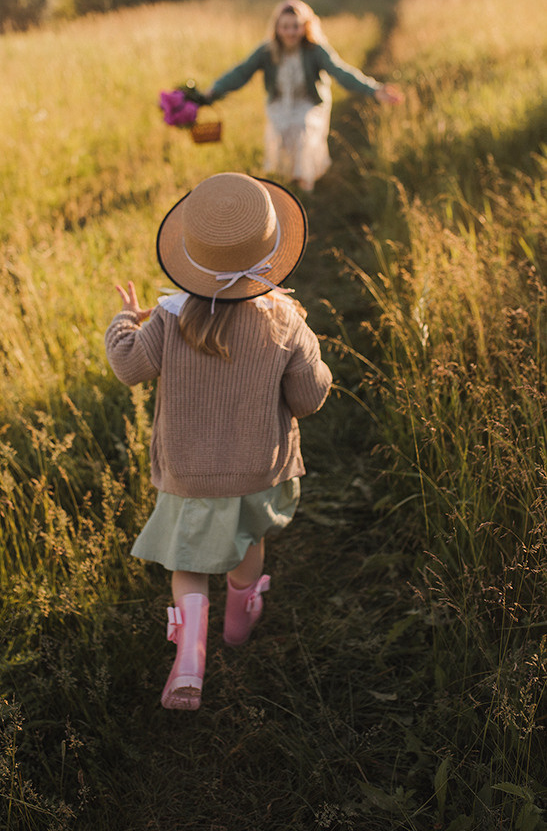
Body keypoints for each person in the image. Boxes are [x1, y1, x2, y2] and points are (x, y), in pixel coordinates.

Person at [104, 171, 332, 711]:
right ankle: (237, 625)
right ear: (271, 252)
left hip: (189, 471)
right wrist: (315, 360)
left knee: (187, 561)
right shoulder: (286, 320)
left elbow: (128, 366)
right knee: (247, 539)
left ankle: (189, 658)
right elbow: (308, 399)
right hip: (257, 469)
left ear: (194, 255)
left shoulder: (171, 315)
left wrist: (124, 319)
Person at [205, 0, 403, 192]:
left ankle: (305, 186)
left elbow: (340, 71)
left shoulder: (315, 49)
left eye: (296, 26)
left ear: (305, 26)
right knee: (282, 133)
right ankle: (289, 180)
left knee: (303, 130)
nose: (291, 32)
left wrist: (373, 89)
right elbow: (241, 72)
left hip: (310, 102)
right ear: (277, 28)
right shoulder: (266, 51)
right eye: (285, 26)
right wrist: (215, 90)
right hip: (279, 103)